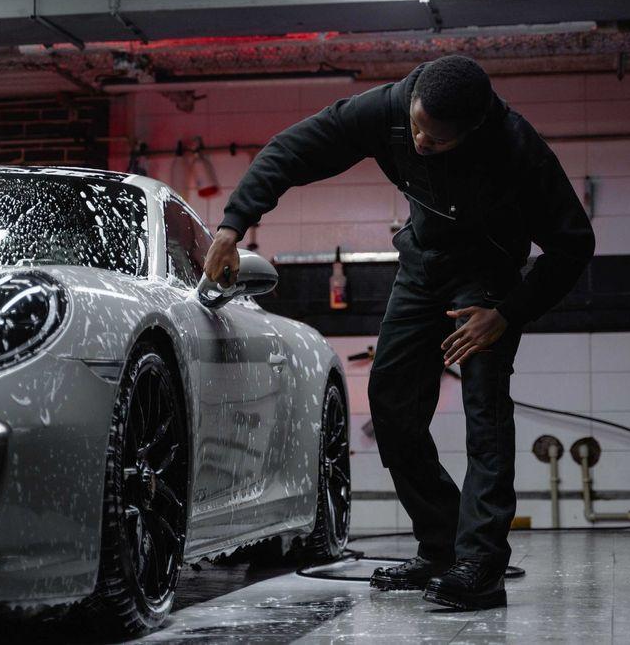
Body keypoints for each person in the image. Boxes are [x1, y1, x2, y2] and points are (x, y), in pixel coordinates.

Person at [203, 55, 595, 609]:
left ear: (473, 129)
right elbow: (292, 150)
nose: (418, 141)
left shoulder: (516, 148)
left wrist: (507, 313)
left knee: (483, 409)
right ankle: (440, 545)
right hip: (422, 266)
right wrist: (232, 224)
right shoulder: (387, 108)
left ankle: (482, 563)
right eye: (415, 126)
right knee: (390, 406)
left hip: (487, 279)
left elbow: (574, 244)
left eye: (435, 139)